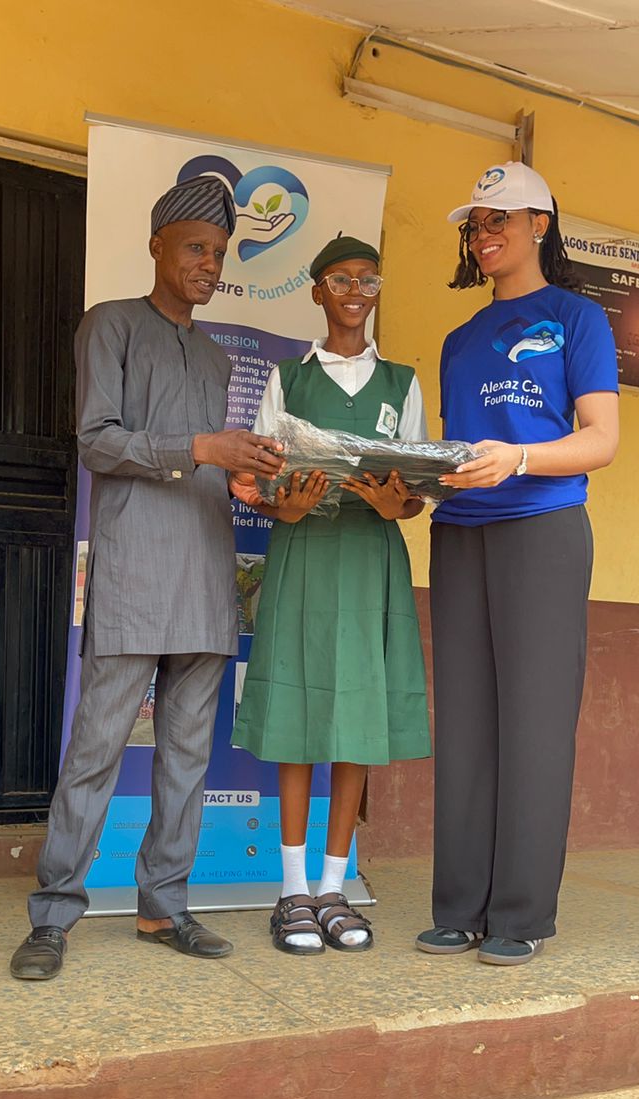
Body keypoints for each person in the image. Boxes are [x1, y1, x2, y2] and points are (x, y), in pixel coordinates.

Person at [10, 175, 283, 980]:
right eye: (196, 248)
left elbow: (211, 463)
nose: (209, 265)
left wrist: (247, 474)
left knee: (186, 755)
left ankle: (164, 908)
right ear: (158, 246)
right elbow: (98, 441)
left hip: (203, 570)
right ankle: (54, 912)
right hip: (133, 573)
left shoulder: (212, 354)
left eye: (220, 254)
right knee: (96, 747)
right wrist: (201, 449)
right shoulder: (112, 325)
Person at [415, 161, 619, 967]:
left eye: (501, 218)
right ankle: (459, 906)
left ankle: (521, 916)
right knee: (464, 726)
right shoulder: (459, 341)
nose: (485, 234)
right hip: (461, 534)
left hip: (543, 529)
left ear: (541, 223)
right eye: (476, 223)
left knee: (533, 726)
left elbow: (601, 440)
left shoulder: (577, 317)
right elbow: (459, 447)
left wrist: (520, 460)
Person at [231, 235, 431, 954]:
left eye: (367, 278)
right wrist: (280, 506)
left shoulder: (403, 383)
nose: (354, 288)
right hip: (303, 552)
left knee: (355, 723)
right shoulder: (288, 378)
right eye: (339, 278)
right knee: (299, 712)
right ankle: (291, 891)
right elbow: (255, 478)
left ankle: (335, 887)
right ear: (316, 291)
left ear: (377, 291)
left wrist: (393, 506)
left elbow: (415, 491)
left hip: (368, 557)